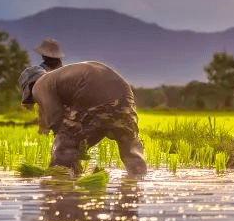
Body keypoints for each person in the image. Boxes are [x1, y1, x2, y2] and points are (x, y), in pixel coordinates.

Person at [19, 58, 148, 177]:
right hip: (124, 91)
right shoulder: (57, 79)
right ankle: (137, 182)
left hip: (92, 91)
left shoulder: (40, 84)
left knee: (63, 150)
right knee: (129, 144)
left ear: (29, 85)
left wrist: (64, 147)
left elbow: (56, 117)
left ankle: (61, 190)